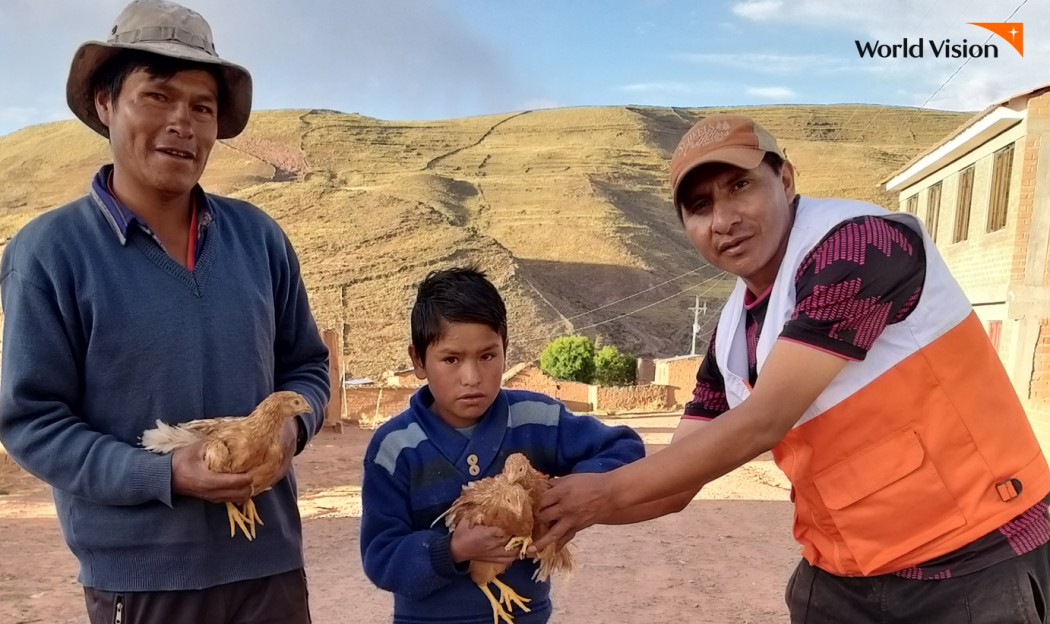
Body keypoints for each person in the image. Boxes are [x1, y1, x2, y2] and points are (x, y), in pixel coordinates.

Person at [532, 114, 1050, 622]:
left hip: (972, 561)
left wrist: (602, 494)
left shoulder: (862, 245)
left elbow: (765, 419)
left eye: (740, 186)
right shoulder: (733, 334)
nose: (724, 219)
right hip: (845, 575)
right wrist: (548, 509)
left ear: (785, 178)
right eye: (700, 206)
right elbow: (675, 482)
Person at [0, 1, 330, 622]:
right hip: (142, 578)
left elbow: (308, 367)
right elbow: (34, 422)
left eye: (201, 107)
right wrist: (167, 474)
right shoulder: (47, 253)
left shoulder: (259, 238)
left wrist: (289, 429)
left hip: (270, 568)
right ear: (105, 103)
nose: (182, 122)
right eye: (156, 97)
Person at [360, 267, 645, 624]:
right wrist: (453, 549)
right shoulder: (394, 448)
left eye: (487, 356)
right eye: (451, 359)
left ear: (505, 349)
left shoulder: (538, 419)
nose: (472, 377)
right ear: (418, 361)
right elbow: (380, 558)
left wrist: (563, 495)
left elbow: (625, 449)